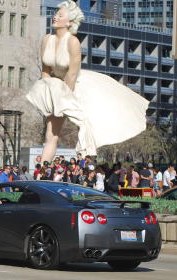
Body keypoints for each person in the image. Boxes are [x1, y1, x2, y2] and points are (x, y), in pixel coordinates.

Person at [26, 1, 148, 162]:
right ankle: (42, 170)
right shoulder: (47, 39)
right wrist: (48, 92)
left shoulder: (72, 42)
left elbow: (72, 73)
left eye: (60, 15)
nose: (55, 17)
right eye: (56, 14)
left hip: (73, 87)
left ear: (69, 22)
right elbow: (45, 70)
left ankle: (85, 160)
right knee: (51, 133)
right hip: (54, 87)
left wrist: (64, 98)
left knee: (86, 124)